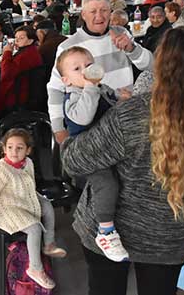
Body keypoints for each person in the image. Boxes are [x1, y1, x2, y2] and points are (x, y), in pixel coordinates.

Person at [62, 27, 184, 294]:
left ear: (161, 66)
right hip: (170, 233)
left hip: (113, 227)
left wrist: (71, 137)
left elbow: (74, 160)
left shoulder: (135, 114)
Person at [47, 0, 153, 143]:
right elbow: (55, 88)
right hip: (92, 127)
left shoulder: (122, 34)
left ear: (111, 12)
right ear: (83, 14)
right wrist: (58, 128)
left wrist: (131, 48)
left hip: (126, 117)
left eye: (104, 10)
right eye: (93, 11)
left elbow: (152, 66)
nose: (99, 16)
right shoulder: (68, 47)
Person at [57, 46, 129, 261]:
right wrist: (90, 87)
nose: (85, 71)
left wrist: (121, 97)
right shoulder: (73, 98)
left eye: (89, 65)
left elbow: (111, 100)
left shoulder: (99, 87)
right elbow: (84, 118)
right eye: (77, 68)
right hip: (87, 152)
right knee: (106, 183)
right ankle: (105, 230)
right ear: (66, 80)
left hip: (108, 145)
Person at [0, 128, 67, 290]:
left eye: (19, 148)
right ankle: (35, 269)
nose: (14, 152)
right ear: (3, 149)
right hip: (6, 207)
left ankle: (49, 244)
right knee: (34, 228)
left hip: (22, 198)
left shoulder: (28, 163)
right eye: (9, 147)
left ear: (28, 150)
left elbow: (27, 185)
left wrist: (36, 198)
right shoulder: (0, 171)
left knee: (47, 206)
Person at [0, 26, 42, 114]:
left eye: (21, 38)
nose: (17, 40)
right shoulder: (32, 51)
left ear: (31, 40)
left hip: (17, 94)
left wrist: (7, 53)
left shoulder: (24, 56)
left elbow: (5, 75)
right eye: (16, 38)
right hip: (27, 93)